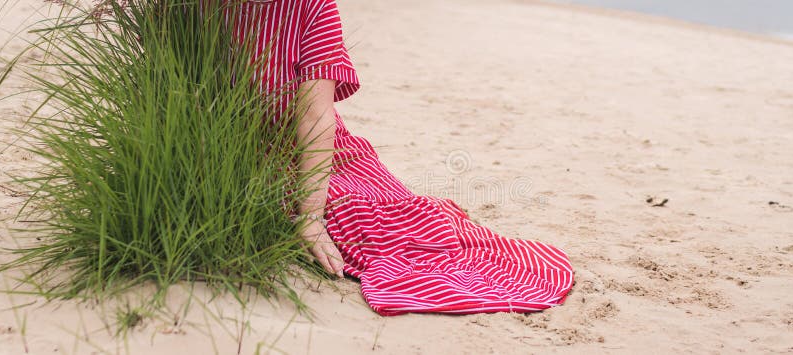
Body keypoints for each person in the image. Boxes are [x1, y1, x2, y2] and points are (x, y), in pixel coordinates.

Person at [229, 0, 574, 315]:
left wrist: (310, 218)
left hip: (320, 149)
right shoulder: (190, 10)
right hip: (245, 154)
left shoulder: (311, 7)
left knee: (372, 218)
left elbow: (315, 118)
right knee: (344, 214)